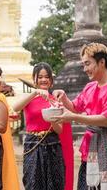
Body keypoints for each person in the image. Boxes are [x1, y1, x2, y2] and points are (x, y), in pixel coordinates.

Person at [52, 43, 107, 190]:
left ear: (102, 62)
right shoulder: (90, 87)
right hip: (91, 149)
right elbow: (76, 107)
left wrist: (74, 118)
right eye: (83, 64)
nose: (85, 69)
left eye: (87, 63)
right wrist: (63, 98)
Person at [13, 62, 73, 190]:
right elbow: (15, 108)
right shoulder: (28, 98)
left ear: (51, 80)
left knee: (54, 182)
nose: (43, 80)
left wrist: (51, 118)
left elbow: (59, 130)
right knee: (33, 182)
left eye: (47, 77)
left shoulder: (55, 100)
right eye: (40, 77)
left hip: (52, 145)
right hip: (33, 144)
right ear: (35, 79)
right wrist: (35, 93)